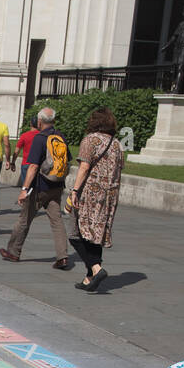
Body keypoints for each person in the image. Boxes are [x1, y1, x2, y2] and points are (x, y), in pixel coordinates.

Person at [1, 108, 70, 268]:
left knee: (24, 219)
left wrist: (24, 189)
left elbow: (33, 166)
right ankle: (63, 256)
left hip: (39, 187)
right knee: (57, 221)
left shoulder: (40, 138)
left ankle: (13, 252)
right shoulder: (60, 136)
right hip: (57, 185)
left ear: (39, 122)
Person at [68, 107, 123, 292]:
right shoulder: (116, 143)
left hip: (91, 193)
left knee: (77, 234)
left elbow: (84, 167)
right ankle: (90, 277)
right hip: (110, 195)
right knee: (95, 236)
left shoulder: (90, 140)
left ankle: (96, 268)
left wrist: (74, 190)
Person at [10, 120, 40, 189]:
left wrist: (13, 162)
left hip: (26, 164)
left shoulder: (24, 136)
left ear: (30, 124)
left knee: (26, 187)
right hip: (37, 164)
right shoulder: (41, 135)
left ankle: (26, 198)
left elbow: (17, 151)